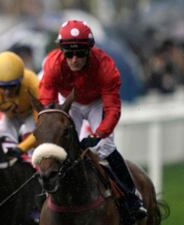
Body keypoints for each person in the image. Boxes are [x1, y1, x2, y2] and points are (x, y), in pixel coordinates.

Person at [38, 19, 148, 222]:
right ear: (61, 51)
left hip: (97, 103)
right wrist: (50, 116)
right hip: (70, 103)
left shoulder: (105, 67)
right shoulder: (53, 64)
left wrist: (98, 134)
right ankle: (46, 195)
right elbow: (46, 96)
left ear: (89, 50)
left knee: (105, 148)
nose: (74, 59)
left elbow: (113, 108)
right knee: (59, 148)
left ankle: (132, 197)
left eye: (80, 53)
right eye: (68, 54)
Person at [0, 51, 39, 157]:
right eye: (2, 87)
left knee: (30, 137)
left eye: (12, 86)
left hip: (30, 115)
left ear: (21, 80)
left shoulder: (34, 84)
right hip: (6, 116)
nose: (7, 92)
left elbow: (41, 126)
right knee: (3, 135)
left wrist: (22, 147)